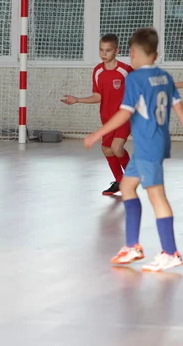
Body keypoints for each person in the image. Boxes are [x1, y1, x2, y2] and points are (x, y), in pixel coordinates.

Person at [84, 27, 183, 272]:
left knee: (156, 196)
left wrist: (98, 133)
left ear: (134, 53)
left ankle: (170, 252)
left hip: (149, 146)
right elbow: (179, 111)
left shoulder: (135, 79)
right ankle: (132, 246)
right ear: (156, 54)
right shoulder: (164, 77)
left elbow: (124, 113)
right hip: (151, 144)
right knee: (127, 187)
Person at [62, 34, 134, 195]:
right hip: (107, 119)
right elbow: (97, 97)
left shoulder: (125, 70)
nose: (104, 54)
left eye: (108, 50)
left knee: (117, 147)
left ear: (117, 50)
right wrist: (77, 100)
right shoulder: (97, 71)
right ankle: (120, 181)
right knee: (107, 149)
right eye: (101, 50)